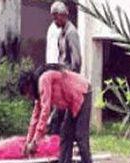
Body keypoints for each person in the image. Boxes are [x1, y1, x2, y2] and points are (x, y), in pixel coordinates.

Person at [19, 64, 93, 163]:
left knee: (80, 136)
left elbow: (46, 110)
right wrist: (28, 142)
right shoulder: (38, 93)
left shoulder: (44, 80)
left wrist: (35, 142)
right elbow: (35, 117)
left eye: (26, 93)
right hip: (72, 102)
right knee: (65, 135)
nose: (28, 96)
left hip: (82, 92)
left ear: (29, 85)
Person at [47, 1, 82, 135]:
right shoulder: (62, 32)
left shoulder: (71, 33)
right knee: (58, 113)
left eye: (56, 17)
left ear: (63, 15)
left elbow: (76, 61)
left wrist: (71, 80)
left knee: (61, 114)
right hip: (61, 75)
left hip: (68, 78)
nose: (54, 21)